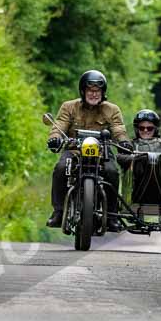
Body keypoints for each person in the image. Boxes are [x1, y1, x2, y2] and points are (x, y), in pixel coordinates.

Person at [46, 70, 133, 231]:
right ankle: (58, 212)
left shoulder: (112, 109)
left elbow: (119, 130)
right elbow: (59, 125)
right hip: (75, 151)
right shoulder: (69, 107)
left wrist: (124, 143)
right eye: (90, 90)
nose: (94, 94)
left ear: (103, 92)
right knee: (60, 168)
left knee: (112, 171)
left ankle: (112, 217)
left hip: (102, 153)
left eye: (97, 91)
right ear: (83, 91)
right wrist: (55, 138)